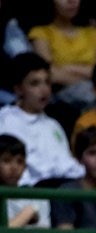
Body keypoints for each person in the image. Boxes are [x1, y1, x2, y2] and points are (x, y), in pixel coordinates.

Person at [0, 52, 83, 185]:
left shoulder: (53, 125)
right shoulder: (4, 121)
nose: (44, 90)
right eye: (35, 83)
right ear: (18, 89)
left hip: (61, 189)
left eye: (47, 82)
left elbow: (67, 165)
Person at [28, 0, 96, 108]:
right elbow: (48, 74)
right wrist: (92, 73)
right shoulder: (41, 32)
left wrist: (67, 68)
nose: (71, 1)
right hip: (61, 98)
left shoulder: (93, 33)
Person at [0, 133, 51, 227]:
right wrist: (25, 215)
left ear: (25, 166)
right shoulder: (31, 209)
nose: (14, 167)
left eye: (19, 161)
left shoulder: (37, 198)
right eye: (6, 160)